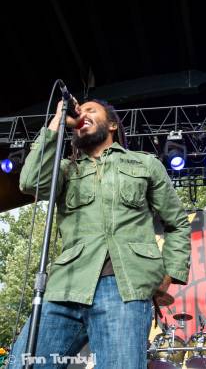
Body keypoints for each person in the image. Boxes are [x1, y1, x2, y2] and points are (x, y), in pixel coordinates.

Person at [10, 99, 191, 369]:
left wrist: (167, 277)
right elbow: (30, 182)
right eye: (79, 112)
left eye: (90, 110)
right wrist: (58, 121)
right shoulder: (65, 169)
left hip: (124, 288)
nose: (82, 114)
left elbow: (177, 222)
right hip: (66, 286)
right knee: (23, 364)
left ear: (113, 124)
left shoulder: (144, 164)